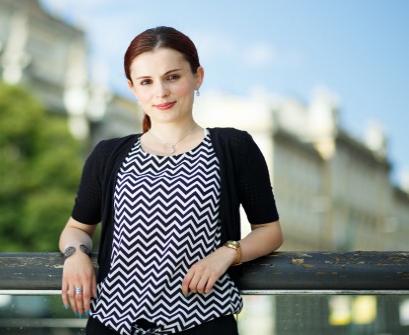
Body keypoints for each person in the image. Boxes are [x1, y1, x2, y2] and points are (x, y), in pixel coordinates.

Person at [59, 26, 283, 334]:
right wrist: (75, 255)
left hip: (203, 323)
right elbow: (76, 229)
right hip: (112, 324)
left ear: (197, 77)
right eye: (146, 82)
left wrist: (226, 254)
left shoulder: (233, 147)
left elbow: (270, 231)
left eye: (173, 77)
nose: (160, 92)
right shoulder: (109, 154)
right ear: (133, 88)